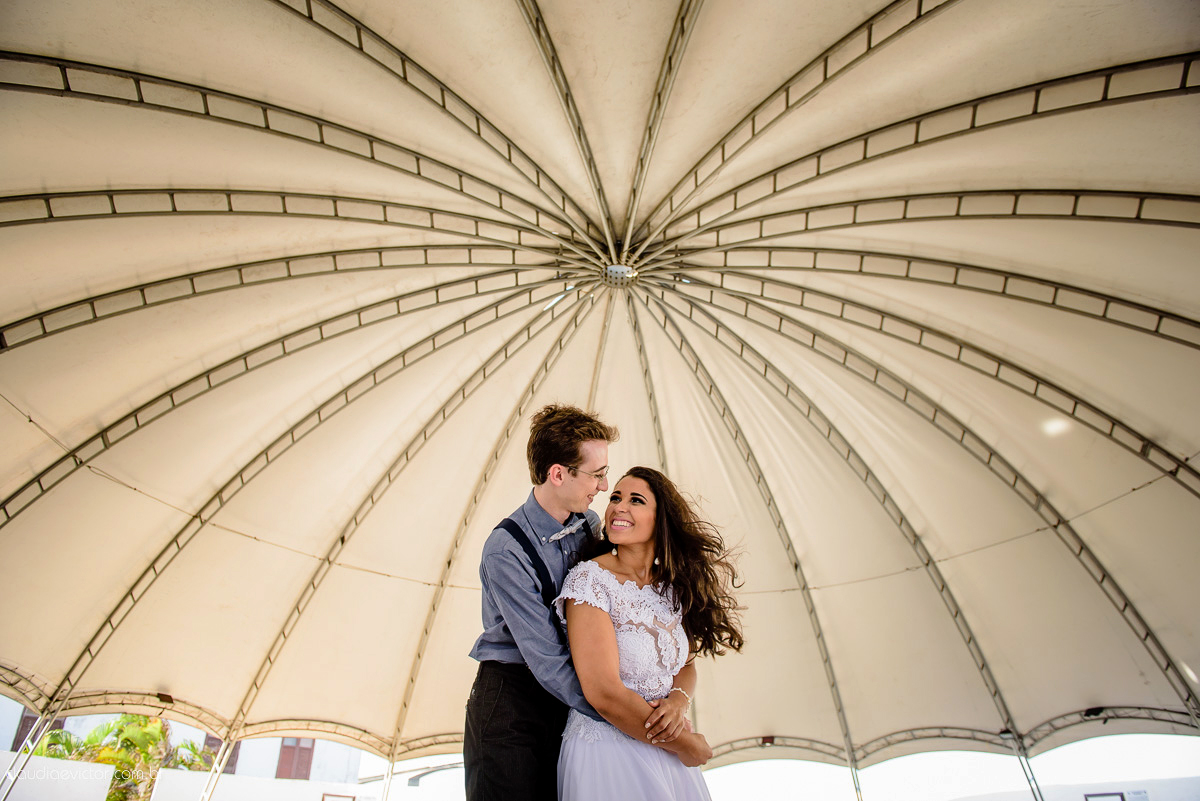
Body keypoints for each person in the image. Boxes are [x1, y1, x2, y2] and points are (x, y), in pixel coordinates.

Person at [555, 466, 744, 801]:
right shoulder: (589, 581)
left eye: (635, 500)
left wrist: (677, 702)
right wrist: (686, 745)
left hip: (667, 757)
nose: (618, 507)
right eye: (615, 498)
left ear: (661, 519)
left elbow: (686, 665)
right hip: (610, 755)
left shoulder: (671, 587)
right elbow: (604, 694)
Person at [464, 403, 619, 801]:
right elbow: (547, 660)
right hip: (511, 704)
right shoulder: (505, 550)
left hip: (565, 702)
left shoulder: (589, 524)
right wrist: (619, 713)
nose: (604, 486)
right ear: (557, 473)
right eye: (597, 474)